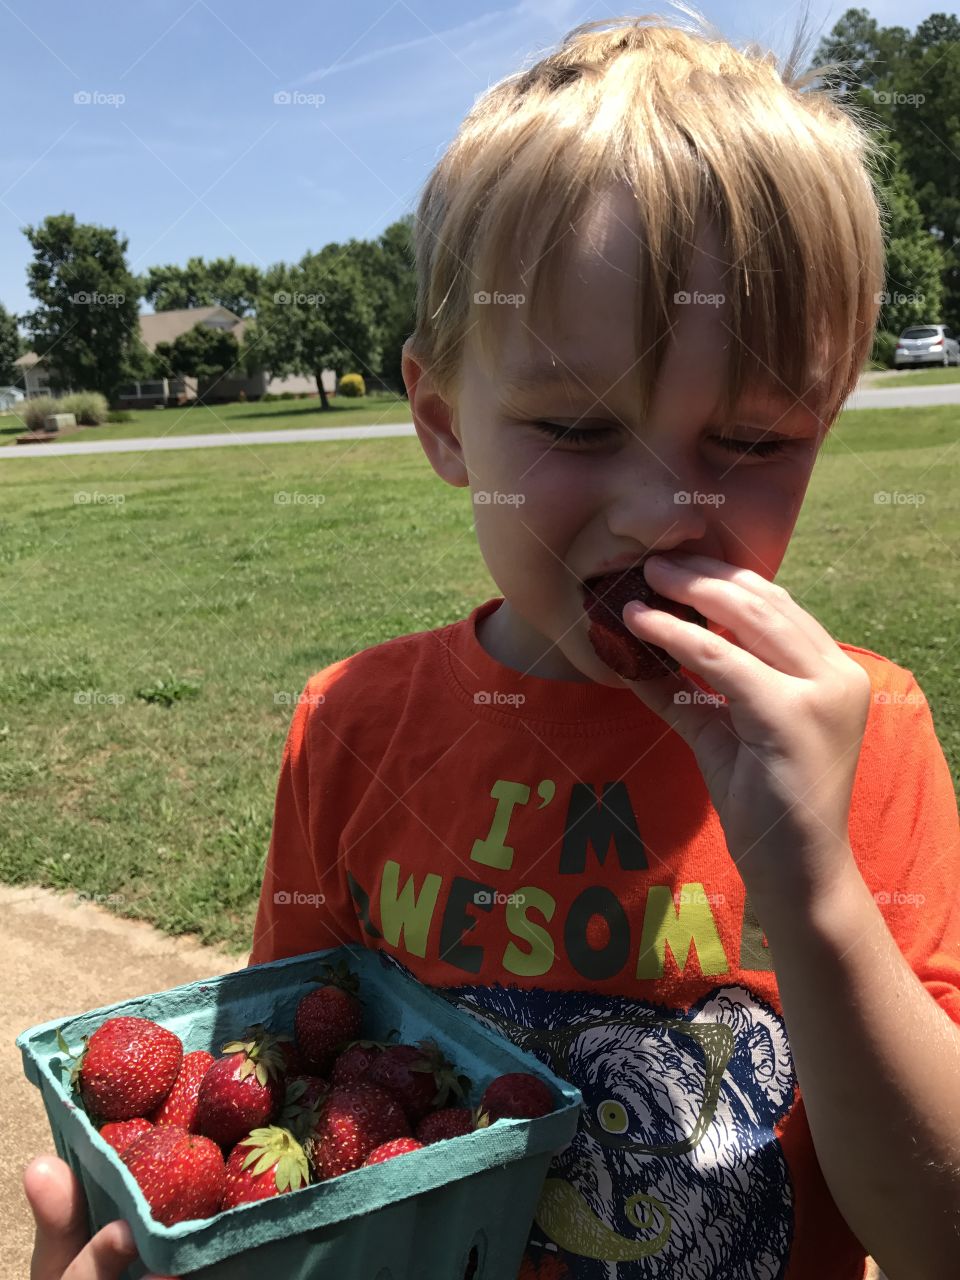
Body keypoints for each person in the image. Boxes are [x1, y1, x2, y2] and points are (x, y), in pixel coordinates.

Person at [25, 11, 960, 1280]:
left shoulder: (871, 741)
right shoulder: (354, 726)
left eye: (751, 442)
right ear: (444, 422)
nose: (661, 510)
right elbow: (293, 1085)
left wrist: (814, 887)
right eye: (577, 428)